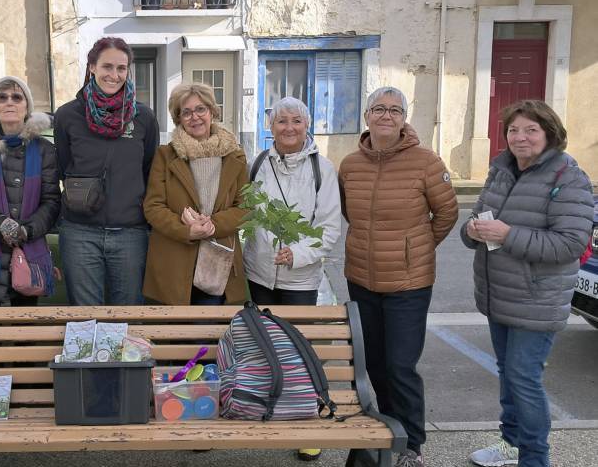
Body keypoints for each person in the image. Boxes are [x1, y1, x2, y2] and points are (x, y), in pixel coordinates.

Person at [462, 100, 593, 467]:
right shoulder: (501, 171)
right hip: (498, 294)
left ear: (550, 134)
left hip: (538, 299)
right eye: (514, 130)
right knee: (509, 375)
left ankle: (535, 458)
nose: (520, 138)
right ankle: (511, 443)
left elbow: (570, 243)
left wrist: (506, 234)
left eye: (531, 130)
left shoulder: (568, 176)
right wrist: (471, 230)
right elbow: (477, 219)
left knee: (524, 378)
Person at [338, 86, 458, 467]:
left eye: (394, 110)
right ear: (367, 116)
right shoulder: (350, 165)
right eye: (378, 108)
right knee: (374, 363)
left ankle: (412, 446)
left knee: (401, 365)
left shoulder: (426, 161)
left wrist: (415, 249)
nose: (386, 115)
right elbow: (349, 213)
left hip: (409, 283)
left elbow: (448, 214)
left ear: (404, 118)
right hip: (362, 278)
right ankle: (390, 429)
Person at [54, 36, 160, 305]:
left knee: (127, 316)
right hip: (80, 232)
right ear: (92, 67)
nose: (114, 75)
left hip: (130, 234)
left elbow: (149, 172)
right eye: (107, 66)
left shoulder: (143, 118)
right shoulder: (67, 116)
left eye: (121, 68)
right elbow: (65, 166)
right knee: (85, 317)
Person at [142, 83, 247, 305]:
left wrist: (213, 224)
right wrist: (187, 230)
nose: (195, 117)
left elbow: (245, 207)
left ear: (212, 112)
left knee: (208, 334)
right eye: (186, 112)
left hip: (218, 263)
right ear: (178, 118)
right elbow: (153, 206)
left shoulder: (235, 156)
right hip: (175, 261)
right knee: (176, 335)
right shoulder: (165, 155)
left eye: (201, 109)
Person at [0, 76, 60, 306]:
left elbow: (52, 201)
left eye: (17, 97)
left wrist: (27, 230)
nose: (9, 102)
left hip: (29, 259)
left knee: (23, 333)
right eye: (2, 97)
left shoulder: (45, 150)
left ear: (27, 106)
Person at [243, 96, 341, 306]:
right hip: (258, 275)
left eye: (297, 121)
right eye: (281, 121)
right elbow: (244, 212)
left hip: (301, 280)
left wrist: (298, 254)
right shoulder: (256, 165)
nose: (289, 128)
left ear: (307, 125)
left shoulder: (323, 169)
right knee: (262, 336)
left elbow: (329, 227)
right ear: (271, 127)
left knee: (295, 336)